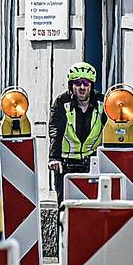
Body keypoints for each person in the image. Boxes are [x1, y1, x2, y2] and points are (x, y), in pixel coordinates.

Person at [48, 63, 105, 198]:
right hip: (65, 164)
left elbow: (111, 129)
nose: (82, 87)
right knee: (65, 208)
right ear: (71, 85)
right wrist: (54, 158)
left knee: (92, 208)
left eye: (86, 83)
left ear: (91, 85)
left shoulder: (102, 103)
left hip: (93, 163)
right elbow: (55, 130)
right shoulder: (62, 102)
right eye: (78, 83)